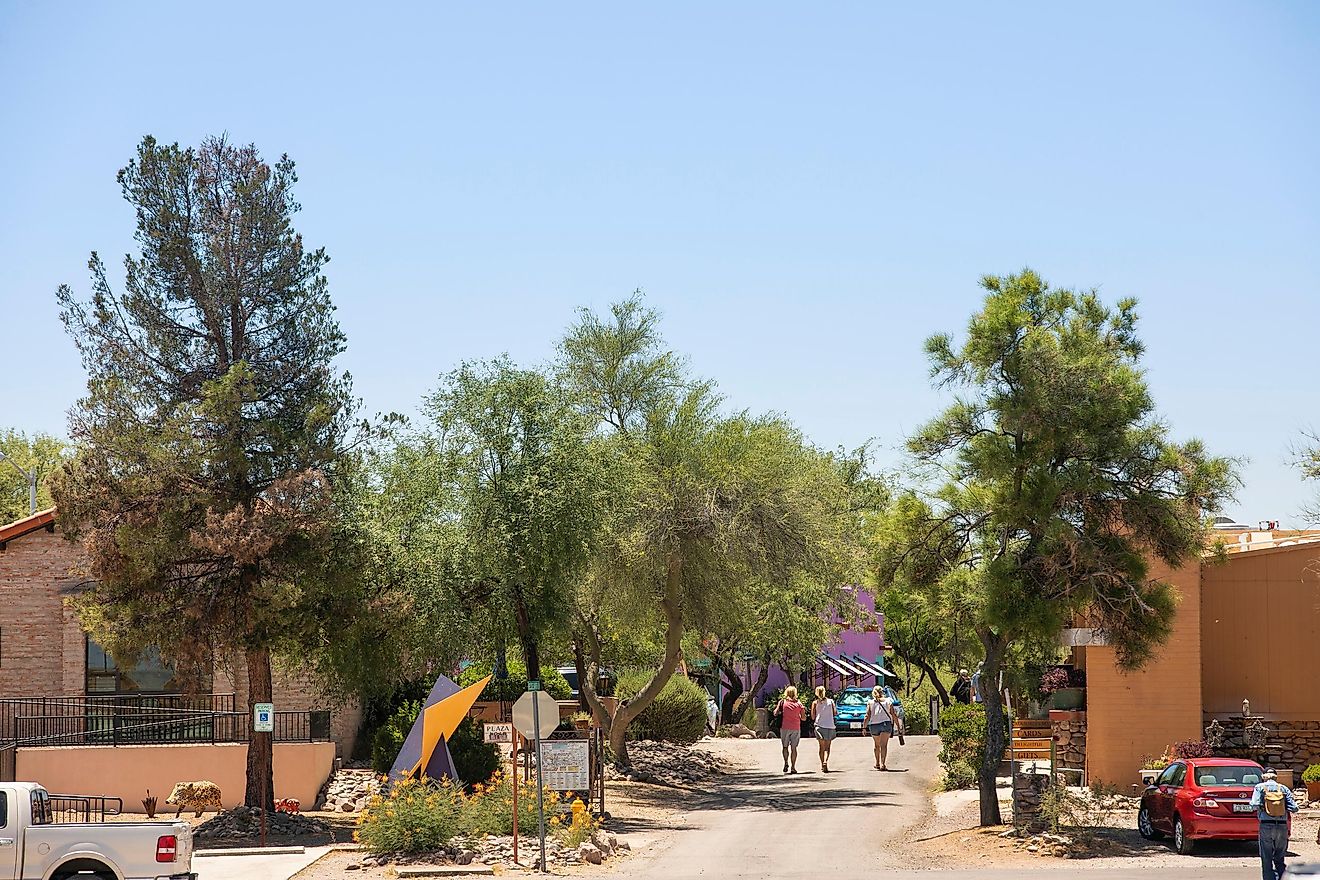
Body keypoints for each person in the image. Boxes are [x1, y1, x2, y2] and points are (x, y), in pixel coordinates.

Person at [1250, 767, 1298, 880]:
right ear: (1276, 777)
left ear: (1264, 777)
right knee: (1280, 857)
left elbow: (1254, 804)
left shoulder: (1259, 788)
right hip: (1282, 826)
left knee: (1266, 857)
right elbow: (1295, 808)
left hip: (1266, 825)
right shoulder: (1284, 788)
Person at [864, 685, 901, 770]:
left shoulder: (870, 702)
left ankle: (877, 763)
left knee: (877, 745)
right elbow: (893, 714)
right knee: (883, 745)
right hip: (885, 724)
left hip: (874, 725)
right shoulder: (888, 701)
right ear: (882, 692)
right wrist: (898, 726)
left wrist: (864, 727)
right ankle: (883, 764)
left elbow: (867, 716)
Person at [776, 686, 805, 774]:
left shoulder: (782, 702)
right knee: (794, 748)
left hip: (785, 727)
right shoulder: (799, 704)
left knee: (785, 747)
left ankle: (785, 763)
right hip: (795, 728)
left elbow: (775, 712)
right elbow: (803, 718)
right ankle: (793, 767)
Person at [811, 686, 837, 772]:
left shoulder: (815, 703)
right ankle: (826, 761)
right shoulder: (831, 701)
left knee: (821, 747)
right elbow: (835, 713)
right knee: (827, 747)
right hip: (829, 725)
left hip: (819, 726)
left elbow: (812, 716)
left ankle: (822, 763)